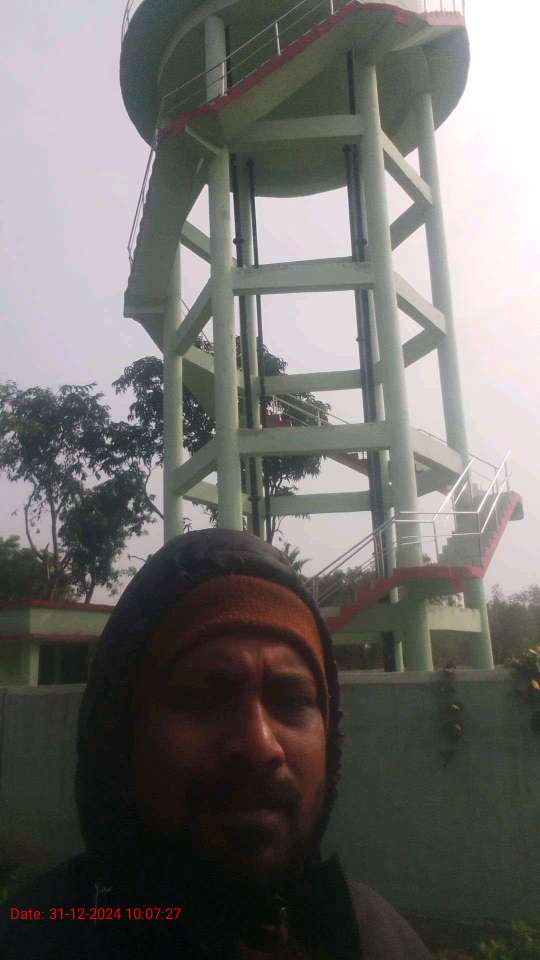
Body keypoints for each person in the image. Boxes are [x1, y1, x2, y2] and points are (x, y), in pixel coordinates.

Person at [0, 529, 432, 958]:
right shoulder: (36, 941)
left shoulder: (376, 938)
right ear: (123, 732)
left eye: (291, 700)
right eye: (202, 697)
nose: (260, 745)